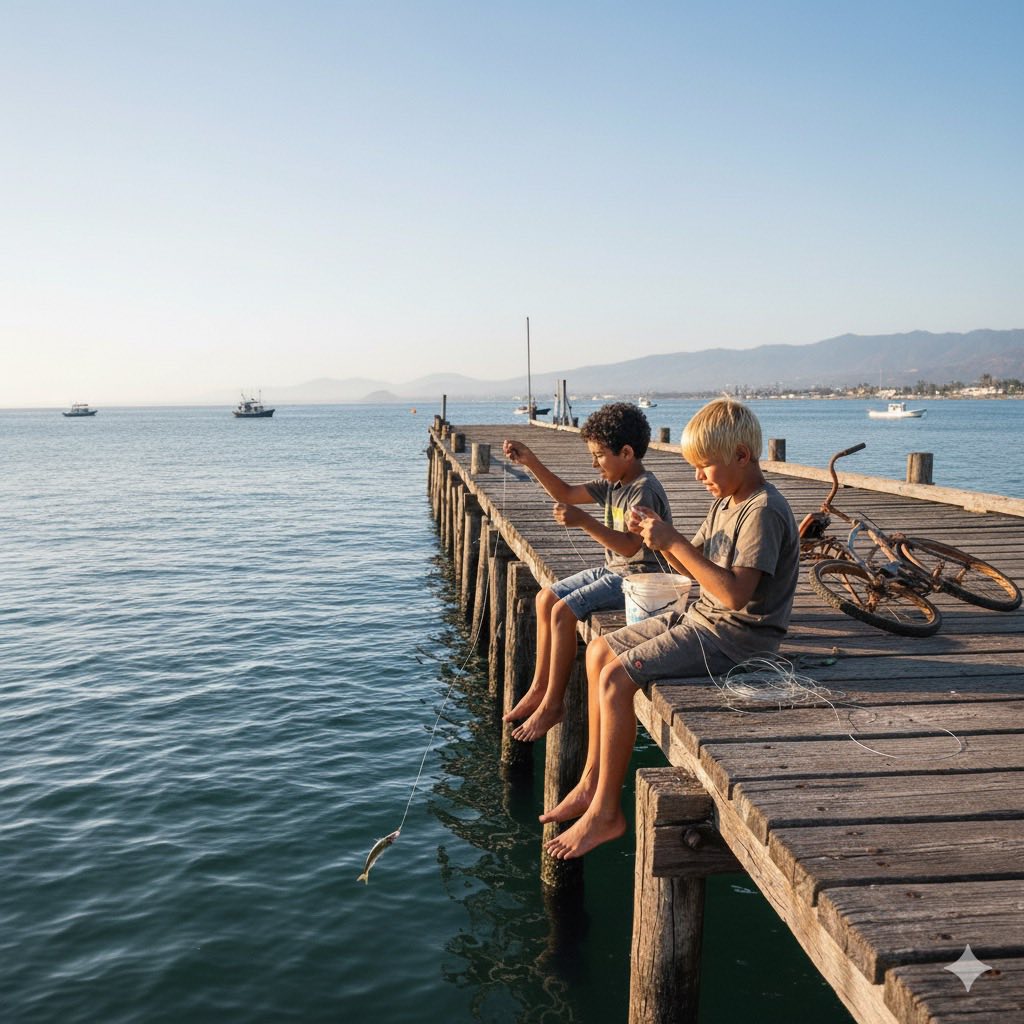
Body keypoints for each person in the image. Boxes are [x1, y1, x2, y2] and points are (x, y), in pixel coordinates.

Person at [543, 398, 799, 859]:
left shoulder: (763, 510)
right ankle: (590, 782)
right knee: (600, 653)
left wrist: (673, 539)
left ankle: (606, 814)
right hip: (703, 618)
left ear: (742, 457)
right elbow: (681, 562)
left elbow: (735, 595)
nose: (699, 478)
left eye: (705, 467)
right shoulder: (727, 500)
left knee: (617, 679)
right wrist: (653, 534)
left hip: (738, 636)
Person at [502, 402, 672, 742]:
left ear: (626, 453)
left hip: (638, 580)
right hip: (613, 570)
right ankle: (539, 688)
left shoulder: (643, 490)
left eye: (599, 455)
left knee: (564, 613)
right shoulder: (613, 481)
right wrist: (530, 461)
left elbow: (629, 547)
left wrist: (585, 522)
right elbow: (565, 493)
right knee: (545, 598)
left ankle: (553, 704)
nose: (593, 463)